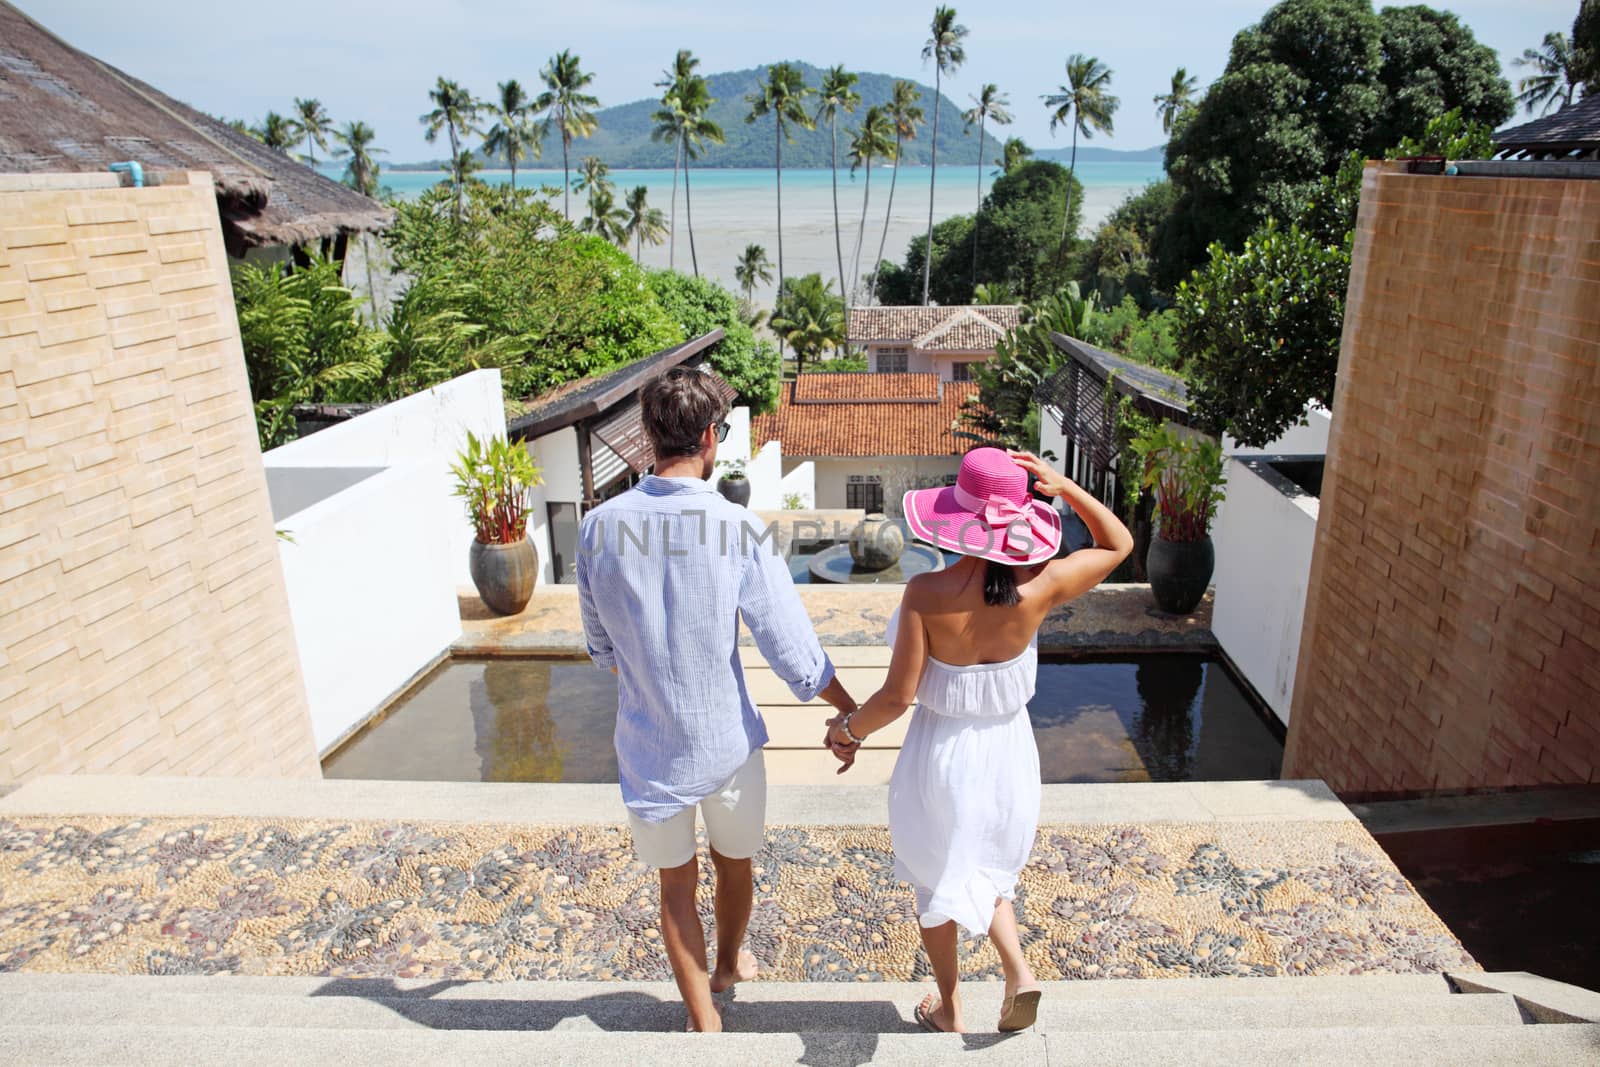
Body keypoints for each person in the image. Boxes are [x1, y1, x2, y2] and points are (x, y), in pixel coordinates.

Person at [577, 366, 858, 1034]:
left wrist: (651, 680)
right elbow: (792, 647)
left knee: (675, 886)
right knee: (735, 864)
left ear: (650, 437)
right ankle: (728, 965)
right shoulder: (736, 527)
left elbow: (601, 650)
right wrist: (849, 713)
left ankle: (704, 1022)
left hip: (648, 749)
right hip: (727, 746)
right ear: (710, 436)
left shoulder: (598, 528)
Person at [826, 447, 1133, 1034]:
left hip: (942, 755)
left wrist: (846, 732)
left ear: (956, 518)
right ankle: (1018, 973)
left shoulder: (926, 593)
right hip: (1008, 752)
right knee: (985, 866)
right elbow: (1118, 544)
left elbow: (895, 699)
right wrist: (1064, 487)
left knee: (936, 875)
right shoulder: (1042, 584)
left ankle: (949, 1007)